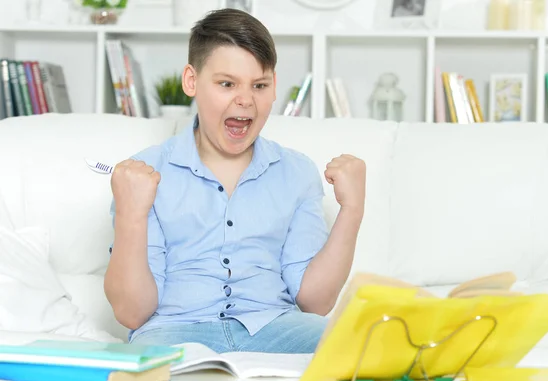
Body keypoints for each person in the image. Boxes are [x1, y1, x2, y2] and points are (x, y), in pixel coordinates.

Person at [104, 8, 366, 354]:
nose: (245, 100)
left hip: (278, 325)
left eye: (259, 85)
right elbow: (131, 312)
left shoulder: (297, 172)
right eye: (227, 84)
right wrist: (131, 216)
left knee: (362, 351)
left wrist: (352, 209)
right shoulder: (143, 173)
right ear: (191, 81)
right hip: (173, 331)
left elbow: (315, 303)